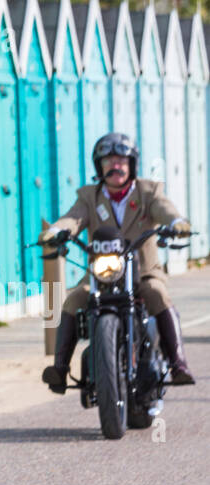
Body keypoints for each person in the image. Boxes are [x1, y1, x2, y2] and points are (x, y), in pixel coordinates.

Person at [41, 132, 195, 393]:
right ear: (99, 166)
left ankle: (178, 363)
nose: (115, 166)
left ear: (131, 164)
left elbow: (165, 209)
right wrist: (56, 231)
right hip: (102, 275)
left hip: (143, 273)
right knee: (73, 299)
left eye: (122, 161)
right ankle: (60, 369)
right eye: (108, 161)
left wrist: (176, 223)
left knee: (157, 293)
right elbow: (73, 218)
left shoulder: (149, 191)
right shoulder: (89, 196)